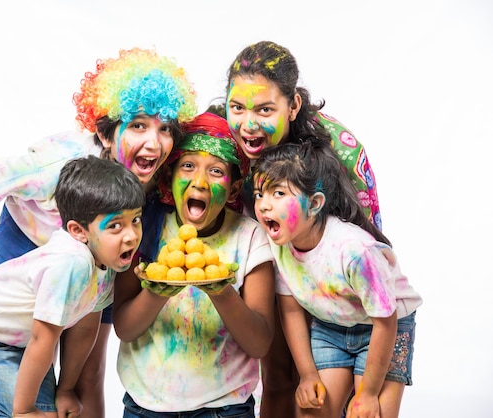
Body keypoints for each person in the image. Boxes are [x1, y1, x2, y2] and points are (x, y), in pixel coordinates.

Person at [0, 47, 198, 417]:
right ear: (106, 134)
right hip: (30, 243)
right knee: (35, 347)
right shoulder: (64, 160)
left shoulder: (157, 177)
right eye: (138, 125)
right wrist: (47, 202)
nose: (154, 142)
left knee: (87, 365)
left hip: (103, 251)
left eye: (165, 129)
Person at [207, 40, 384, 417]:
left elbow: (368, 244)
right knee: (277, 378)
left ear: (293, 106)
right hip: (265, 267)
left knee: (328, 393)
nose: (248, 124)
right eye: (237, 107)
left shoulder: (339, 150)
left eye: (265, 109)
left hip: (331, 283)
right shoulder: (221, 136)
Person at [0, 156, 146, 418]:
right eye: (115, 226)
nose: (131, 235)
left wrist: (66, 389)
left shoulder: (107, 262)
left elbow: (85, 326)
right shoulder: (72, 262)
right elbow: (43, 337)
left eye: (136, 220)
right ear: (78, 230)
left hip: (21, 343)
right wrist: (24, 410)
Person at [112, 112, 275, 417]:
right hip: (144, 407)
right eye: (188, 166)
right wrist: (157, 292)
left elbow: (259, 344)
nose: (199, 181)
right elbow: (124, 328)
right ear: (168, 177)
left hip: (225, 409)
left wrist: (221, 291)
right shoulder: (143, 227)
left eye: (215, 171)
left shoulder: (249, 237)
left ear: (234, 189)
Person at [252, 140, 422, 418]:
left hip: (384, 327)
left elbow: (385, 321)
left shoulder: (354, 251)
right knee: (312, 411)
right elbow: (291, 310)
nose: (264, 205)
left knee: (370, 413)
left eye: (278, 193)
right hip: (332, 327)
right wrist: (307, 375)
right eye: (260, 194)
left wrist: (366, 394)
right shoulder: (279, 244)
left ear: (315, 204)